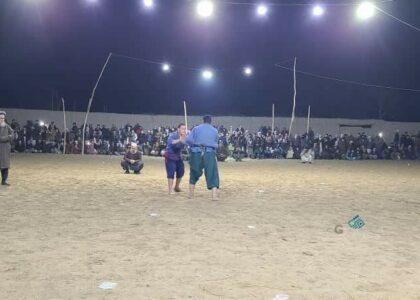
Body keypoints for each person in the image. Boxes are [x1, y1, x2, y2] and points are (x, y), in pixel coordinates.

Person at [186, 115, 220, 200]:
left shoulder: (196, 129)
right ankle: (214, 196)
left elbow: (188, 140)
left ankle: (191, 195)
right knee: (212, 173)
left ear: (203, 121)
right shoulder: (215, 131)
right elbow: (216, 143)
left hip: (196, 152)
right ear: (210, 121)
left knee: (193, 172)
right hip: (209, 153)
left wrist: (194, 142)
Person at [164, 123, 187, 194]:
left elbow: (184, 145)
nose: (184, 130)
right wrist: (179, 140)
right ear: (178, 129)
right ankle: (170, 190)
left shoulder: (184, 136)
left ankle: (176, 187)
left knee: (181, 171)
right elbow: (170, 142)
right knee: (171, 172)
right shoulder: (173, 135)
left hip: (178, 156)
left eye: (185, 129)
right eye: (182, 128)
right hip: (170, 156)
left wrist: (185, 139)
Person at [0, 111, 13, 186]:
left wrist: (7, 138)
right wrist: (7, 138)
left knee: (5, 166)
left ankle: (4, 181)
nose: (1, 119)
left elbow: (13, 134)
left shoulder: (7, 126)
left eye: (3, 118)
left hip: (5, 149)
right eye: (0, 118)